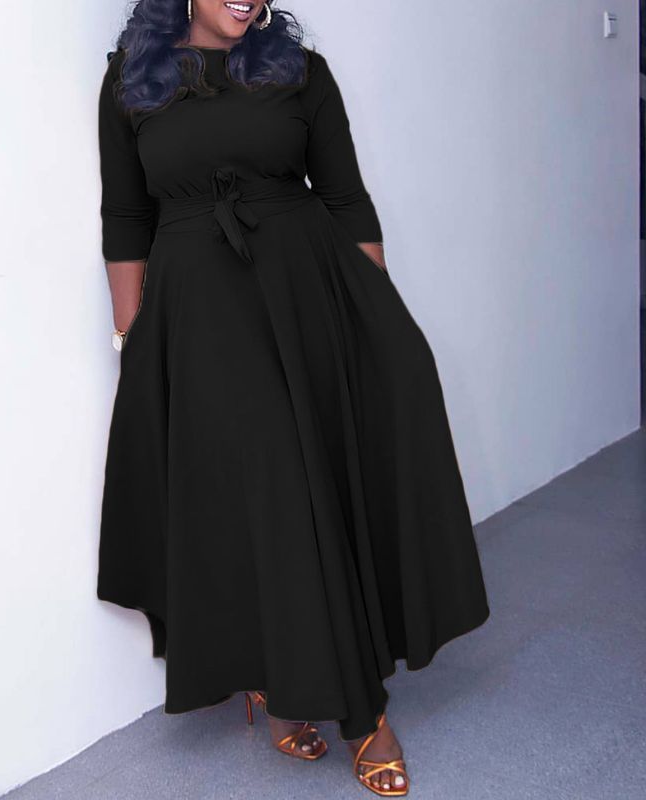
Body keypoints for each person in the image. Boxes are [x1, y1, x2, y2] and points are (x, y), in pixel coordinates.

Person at [95, 1, 490, 795]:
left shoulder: (300, 71)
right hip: (199, 315)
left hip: (305, 295)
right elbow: (127, 215)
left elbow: (345, 197)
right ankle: (278, 679)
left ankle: (359, 712)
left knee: (310, 490)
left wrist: (373, 318)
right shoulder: (129, 79)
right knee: (250, 497)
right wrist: (132, 341)